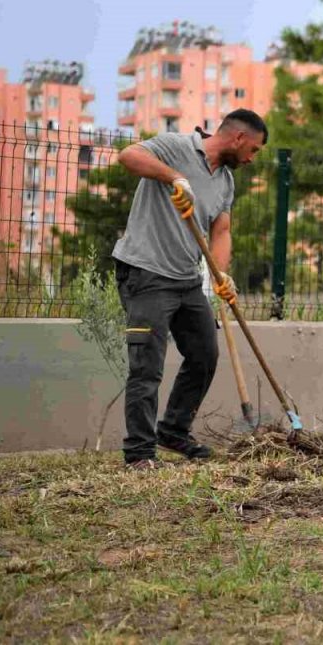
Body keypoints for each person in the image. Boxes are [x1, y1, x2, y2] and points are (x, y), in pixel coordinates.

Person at [111, 110, 268, 469]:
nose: (252, 158)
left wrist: (219, 276)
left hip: (186, 279)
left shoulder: (226, 181)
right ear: (239, 138)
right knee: (147, 366)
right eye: (254, 150)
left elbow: (222, 231)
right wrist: (175, 178)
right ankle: (139, 453)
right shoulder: (174, 146)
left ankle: (174, 430)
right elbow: (128, 156)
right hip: (146, 274)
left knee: (204, 355)